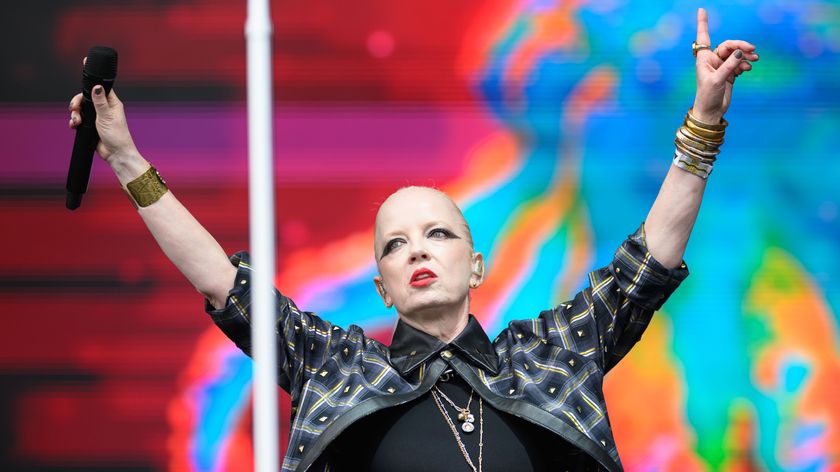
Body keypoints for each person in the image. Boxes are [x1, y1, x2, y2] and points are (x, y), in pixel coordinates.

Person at [68, 8, 757, 471]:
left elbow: (647, 264)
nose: (417, 250)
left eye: (436, 233)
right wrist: (125, 159)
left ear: (476, 264)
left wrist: (704, 119)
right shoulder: (335, 367)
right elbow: (222, 282)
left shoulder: (552, 355)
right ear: (381, 286)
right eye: (395, 245)